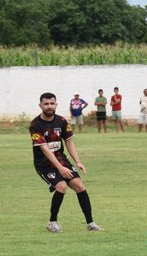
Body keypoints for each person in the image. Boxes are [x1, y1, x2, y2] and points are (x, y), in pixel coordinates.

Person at [30, 92, 103, 234]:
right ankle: (52, 222)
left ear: (56, 104)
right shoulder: (35, 124)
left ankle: (91, 223)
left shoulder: (62, 121)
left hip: (61, 160)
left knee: (79, 185)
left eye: (52, 103)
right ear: (40, 105)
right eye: (46, 104)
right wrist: (60, 168)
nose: (49, 106)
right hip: (44, 164)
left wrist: (78, 162)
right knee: (61, 186)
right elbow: (45, 149)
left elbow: (69, 142)